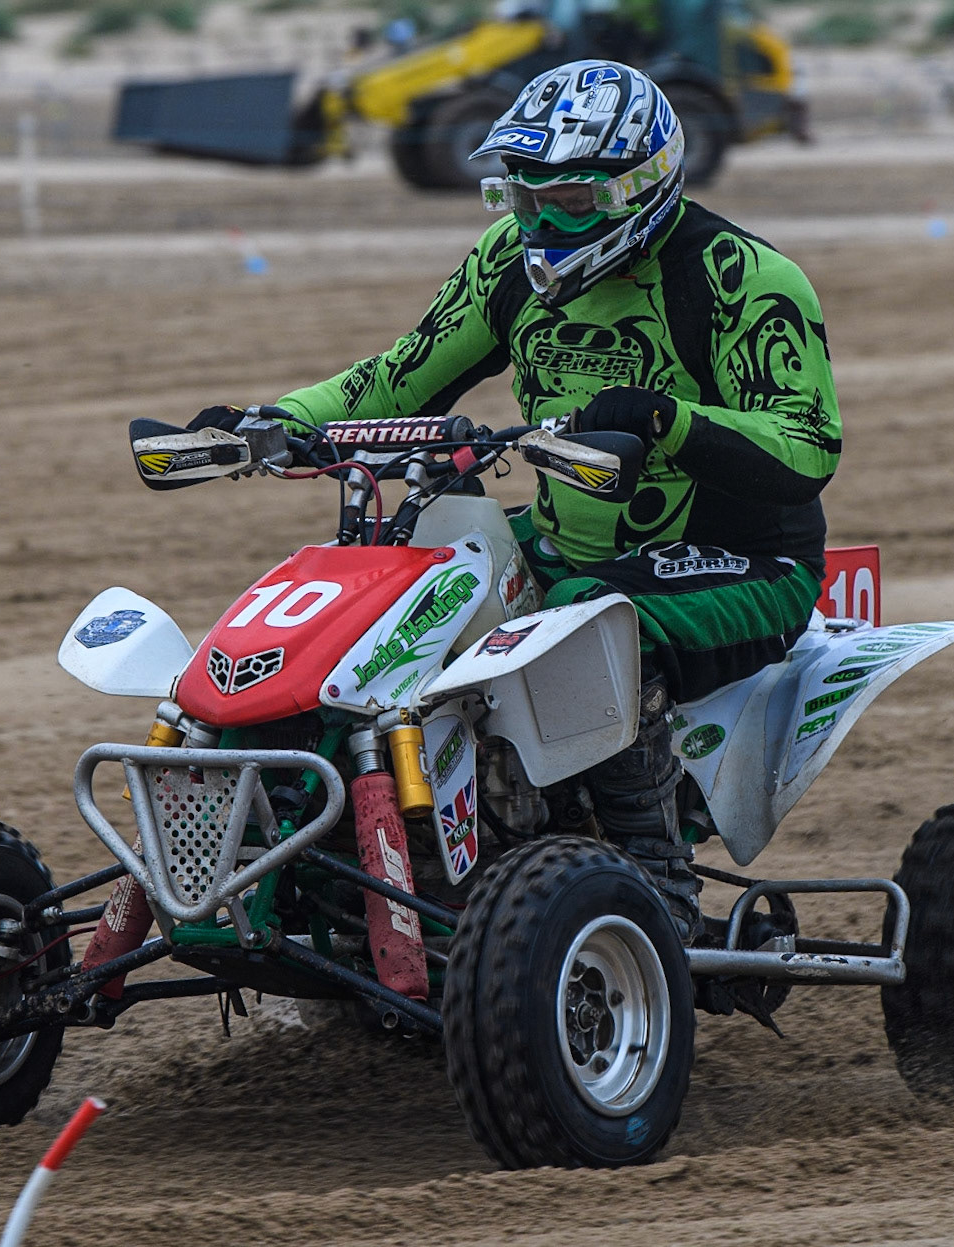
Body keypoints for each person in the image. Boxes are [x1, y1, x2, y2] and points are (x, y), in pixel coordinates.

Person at [190, 61, 841, 942]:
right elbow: (399, 376)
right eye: (522, 200)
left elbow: (807, 447)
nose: (540, 224)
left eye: (569, 201)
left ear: (640, 185)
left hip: (745, 558)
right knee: (388, 599)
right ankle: (364, 859)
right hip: (568, 535)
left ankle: (655, 889)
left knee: (583, 618)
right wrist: (277, 420)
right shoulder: (508, 262)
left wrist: (665, 418)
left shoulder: (740, 277)